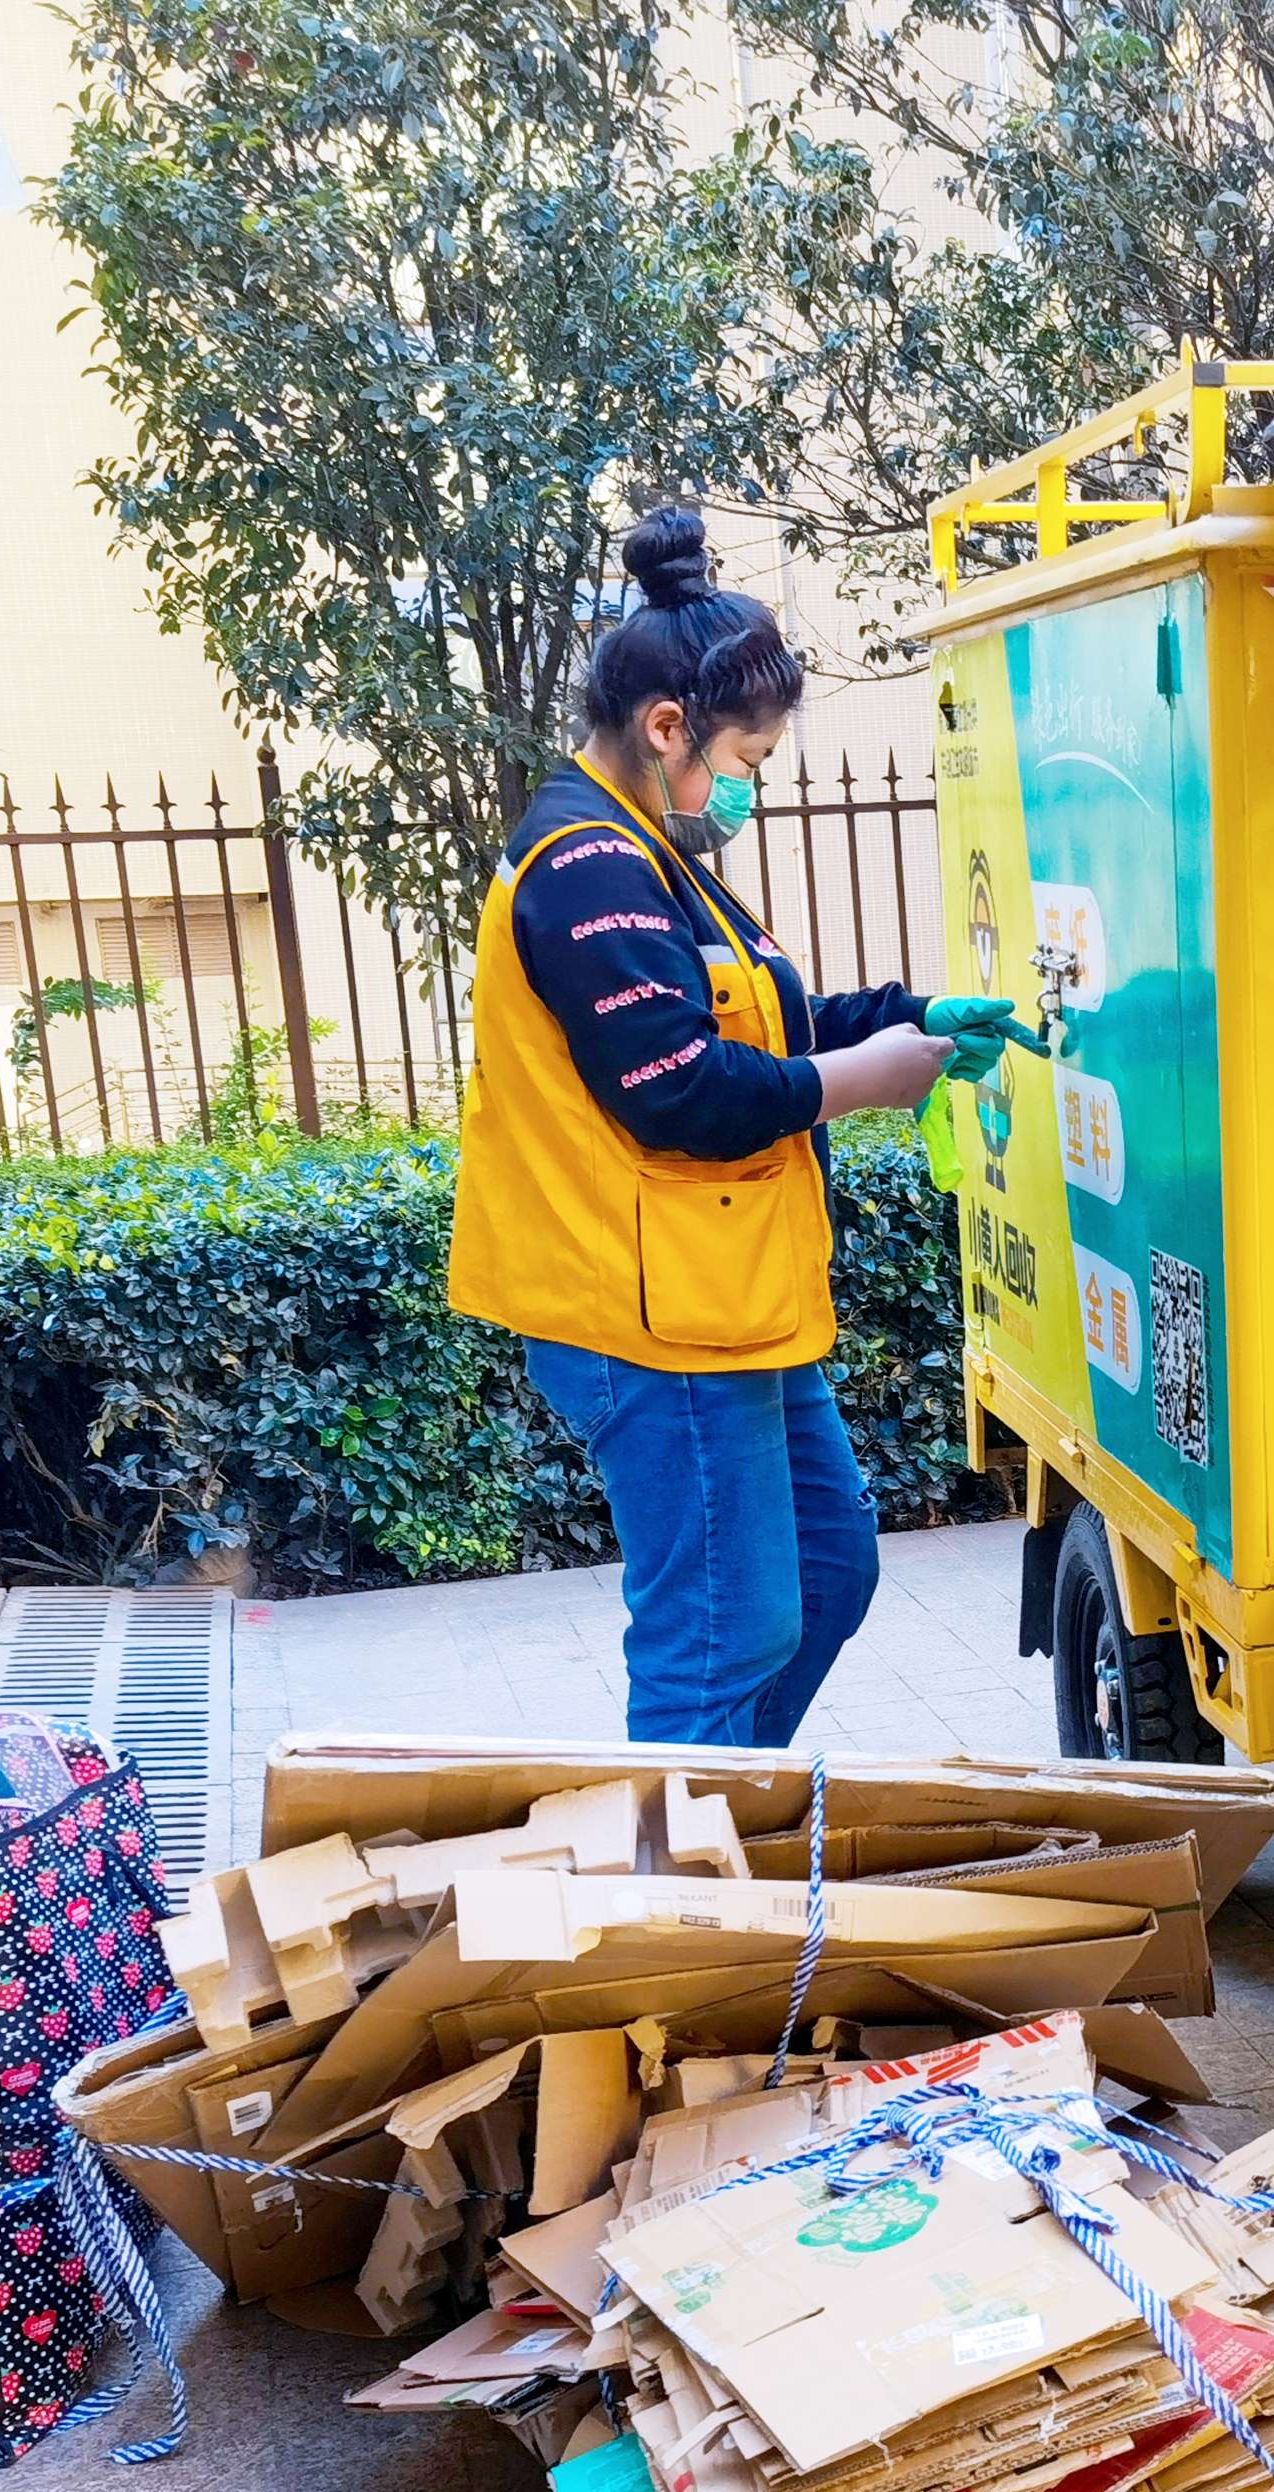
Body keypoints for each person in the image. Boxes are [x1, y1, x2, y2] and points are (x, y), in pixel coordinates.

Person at [448, 506, 1032, 1746]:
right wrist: (863, 1080)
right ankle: (685, 1900)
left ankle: (728, 1818)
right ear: (667, 729)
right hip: (649, 1317)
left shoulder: (652, 849)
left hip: (722, 1299)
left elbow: (762, 1021)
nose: (747, 786)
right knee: (723, 1628)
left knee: (826, 1572)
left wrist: (911, 1016)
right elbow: (678, 1088)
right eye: (746, 759)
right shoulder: (585, 864)